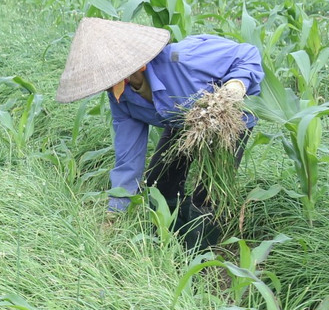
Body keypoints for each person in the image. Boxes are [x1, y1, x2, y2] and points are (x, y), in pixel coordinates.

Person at [54, 17, 263, 246]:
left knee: (208, 193)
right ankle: (172, 242)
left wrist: (237, 85)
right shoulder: (121, 98)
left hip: (226, 122)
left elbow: (247, 53)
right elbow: (128, 160)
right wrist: (115, 212)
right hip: (182, 122)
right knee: (159, 183)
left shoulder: (183, 58)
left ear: (136, 64)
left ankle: (201, 259)